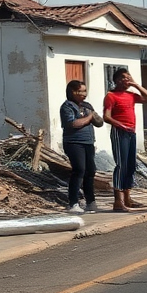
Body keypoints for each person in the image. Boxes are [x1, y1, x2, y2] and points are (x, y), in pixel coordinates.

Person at [102, 68, 147, 211]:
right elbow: (106, 116)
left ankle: (127, 198)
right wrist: (120, 125)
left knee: (131, 165)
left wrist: (136, 85)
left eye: (129, 77)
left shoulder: (131, 95)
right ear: (118, 80)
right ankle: (118, 201)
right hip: (120, 132)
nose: (128, 79)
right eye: (125, 77)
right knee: (121, 165)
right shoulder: (111, 96)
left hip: (131, 132)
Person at [60, 79, 100, 213]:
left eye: (85, 91)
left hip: (88, 142)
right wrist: (89, 117)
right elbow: (74, 124)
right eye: (80, 91)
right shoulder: (67, 106)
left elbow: (99, 122)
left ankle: (90, 202)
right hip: (74, 143)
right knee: (79, 170)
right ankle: (73, 203)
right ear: (72, 92)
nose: (84, 94)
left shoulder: (87, 106)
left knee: (90, 171)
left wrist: (95, 116)